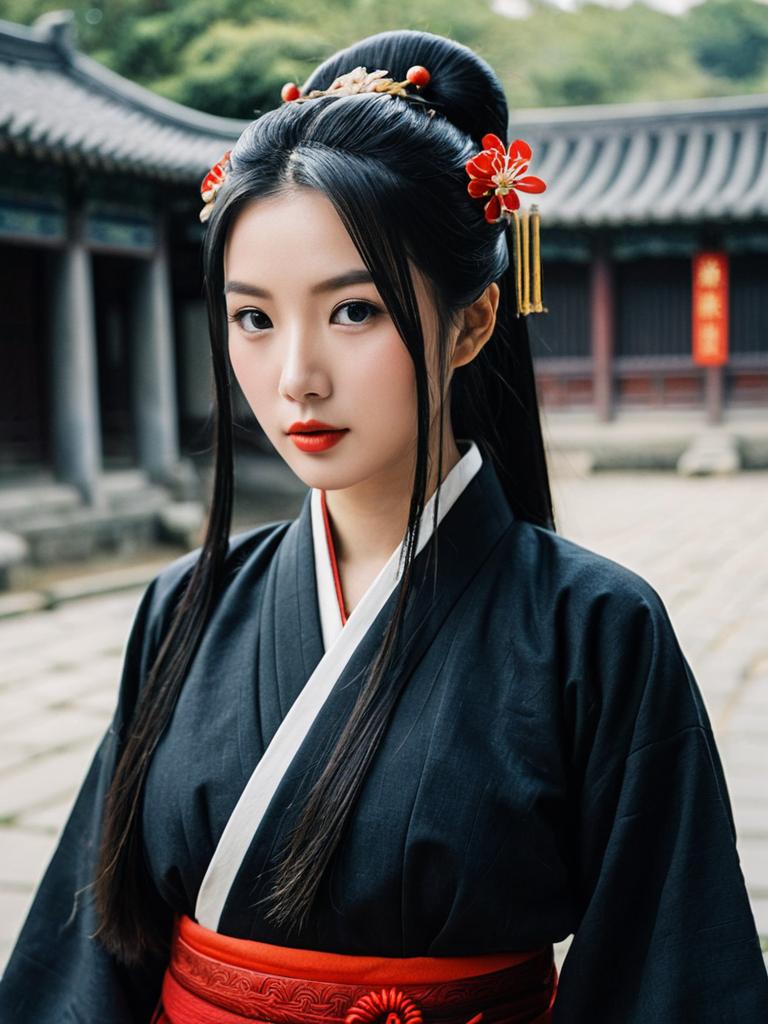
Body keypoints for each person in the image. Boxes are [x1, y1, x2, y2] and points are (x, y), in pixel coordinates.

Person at [1, 27, 766, 1024]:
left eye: (353, 311)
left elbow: (668, 979)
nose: (294, 377)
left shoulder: (599, 630)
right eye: (254, 317)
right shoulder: (182, 607)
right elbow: (90, 952)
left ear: (473, 321)